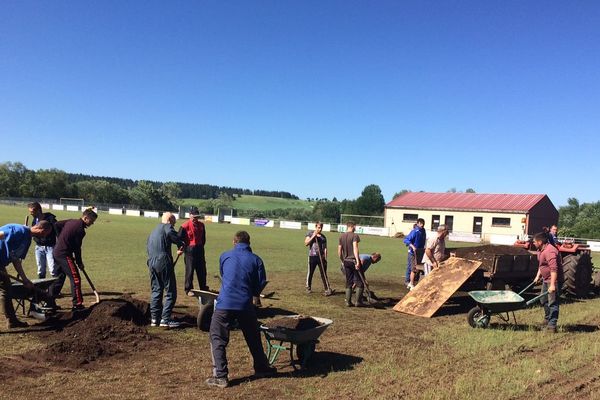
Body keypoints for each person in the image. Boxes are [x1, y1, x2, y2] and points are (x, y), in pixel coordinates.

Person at [206, 231, 276, 389]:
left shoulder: (225, 256)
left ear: (234, 242)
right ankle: (262, 368)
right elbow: (260, 283)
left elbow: (224, 275)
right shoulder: (256, 260)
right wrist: (253, 293)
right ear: (249, 243)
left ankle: (221, 376)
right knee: (253, 337)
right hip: (245, 304)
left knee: (217, 338)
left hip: (224, 304)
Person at [0, 221, 52, 328]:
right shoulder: (19, 231)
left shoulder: (27, 238)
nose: (45, 236)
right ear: (41, 229)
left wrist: (25, 280)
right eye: (46, 233)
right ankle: (12, 321)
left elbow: (15, 260)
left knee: (6, 287)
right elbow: (1, 233)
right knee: (5, 288)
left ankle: (12, 321)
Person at [47, 208, 98, 311]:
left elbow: (56, 225)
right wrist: (79, 263)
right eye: (91, 221)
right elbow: (77, 249)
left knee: (58, 278)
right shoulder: (80, 230)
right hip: (64, 254)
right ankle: (77, 304)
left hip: (57, 252)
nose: (92, 223)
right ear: (85, 217)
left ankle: (49, 302)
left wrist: (60, 238)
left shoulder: (71, 221)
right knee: (75, 278)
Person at [147, 212, 185, 328]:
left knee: (156, 290)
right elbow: (174, 236)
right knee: (170, 291)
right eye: (174, 222)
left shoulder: (153, 231)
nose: (174, 225)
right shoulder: (167, 227)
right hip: (163, 261)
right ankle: (165, 319)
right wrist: (180, 243)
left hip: (151, 261)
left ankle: (154, 319)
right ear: (169, 220)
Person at [533, 232, 563, 333]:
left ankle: (552, 325)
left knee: (553, 302)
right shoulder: (541, 250)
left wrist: (553, 285)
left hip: (553, 280)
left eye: (534, 242)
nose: (533, 243)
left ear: (540, 242)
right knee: (543, 299)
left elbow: (554, 269)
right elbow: (542, 265)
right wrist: (538, 276)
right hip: (546, 279)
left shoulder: (550, 251)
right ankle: (547, 319)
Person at [179, 206, 207, 296]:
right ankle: (188, 289)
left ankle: (203, 287)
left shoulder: (202, 225)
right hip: (189, 250)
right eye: (194, 217)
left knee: (202, 270)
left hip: (200, 249)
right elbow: (178, 238)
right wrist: (180, 248)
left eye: (197, 217)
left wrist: (201, 246)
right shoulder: (184, 226)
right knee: (190, 270)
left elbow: (203, 238)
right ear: (190, 215)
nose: (196, 218)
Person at [28, 202, 58, 279]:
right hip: (39, 247)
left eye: (32, 212)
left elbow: (57, 231)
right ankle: (41, 289)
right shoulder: (35, 220)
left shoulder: (50, 219)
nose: (31, 213)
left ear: (38, 210)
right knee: (41, 270)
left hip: (50, 247)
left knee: (53, 270)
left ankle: (53, 290)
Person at [338, 221, 364, 307]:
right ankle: (358, 302)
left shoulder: (341, 236)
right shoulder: (354, 236)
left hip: (346, 261)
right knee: (360, 282)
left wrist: (342, 260)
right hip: (353, 261)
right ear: (352, 227)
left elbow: (339, 251)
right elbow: (355, 248)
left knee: (348, 281)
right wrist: (357, 260)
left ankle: (348, 302)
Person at [304, 221, 330, 295]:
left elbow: (325, 248)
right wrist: (313, 236)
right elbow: (306, 243)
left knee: (323, 273)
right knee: (310, 273)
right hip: (312, 256)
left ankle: (327, 288)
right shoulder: (310, 234)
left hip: (321, 257)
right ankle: (308, 287)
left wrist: (325, 258)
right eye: (318, 227)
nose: (320, 229)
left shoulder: (323, 237)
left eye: (321, 228)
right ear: (315, 227)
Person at [404, 218, 426, 290]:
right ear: (418, 224)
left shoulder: (423, 231)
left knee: (419, 267)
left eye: (423, 223)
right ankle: (409, 282)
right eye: (421, 223)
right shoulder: (414, 231)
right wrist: (412, 246)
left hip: (421, 252)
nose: (422, 225)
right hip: (413, 253)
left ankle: (414, 281)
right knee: (412, 267)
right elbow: (406, 240)